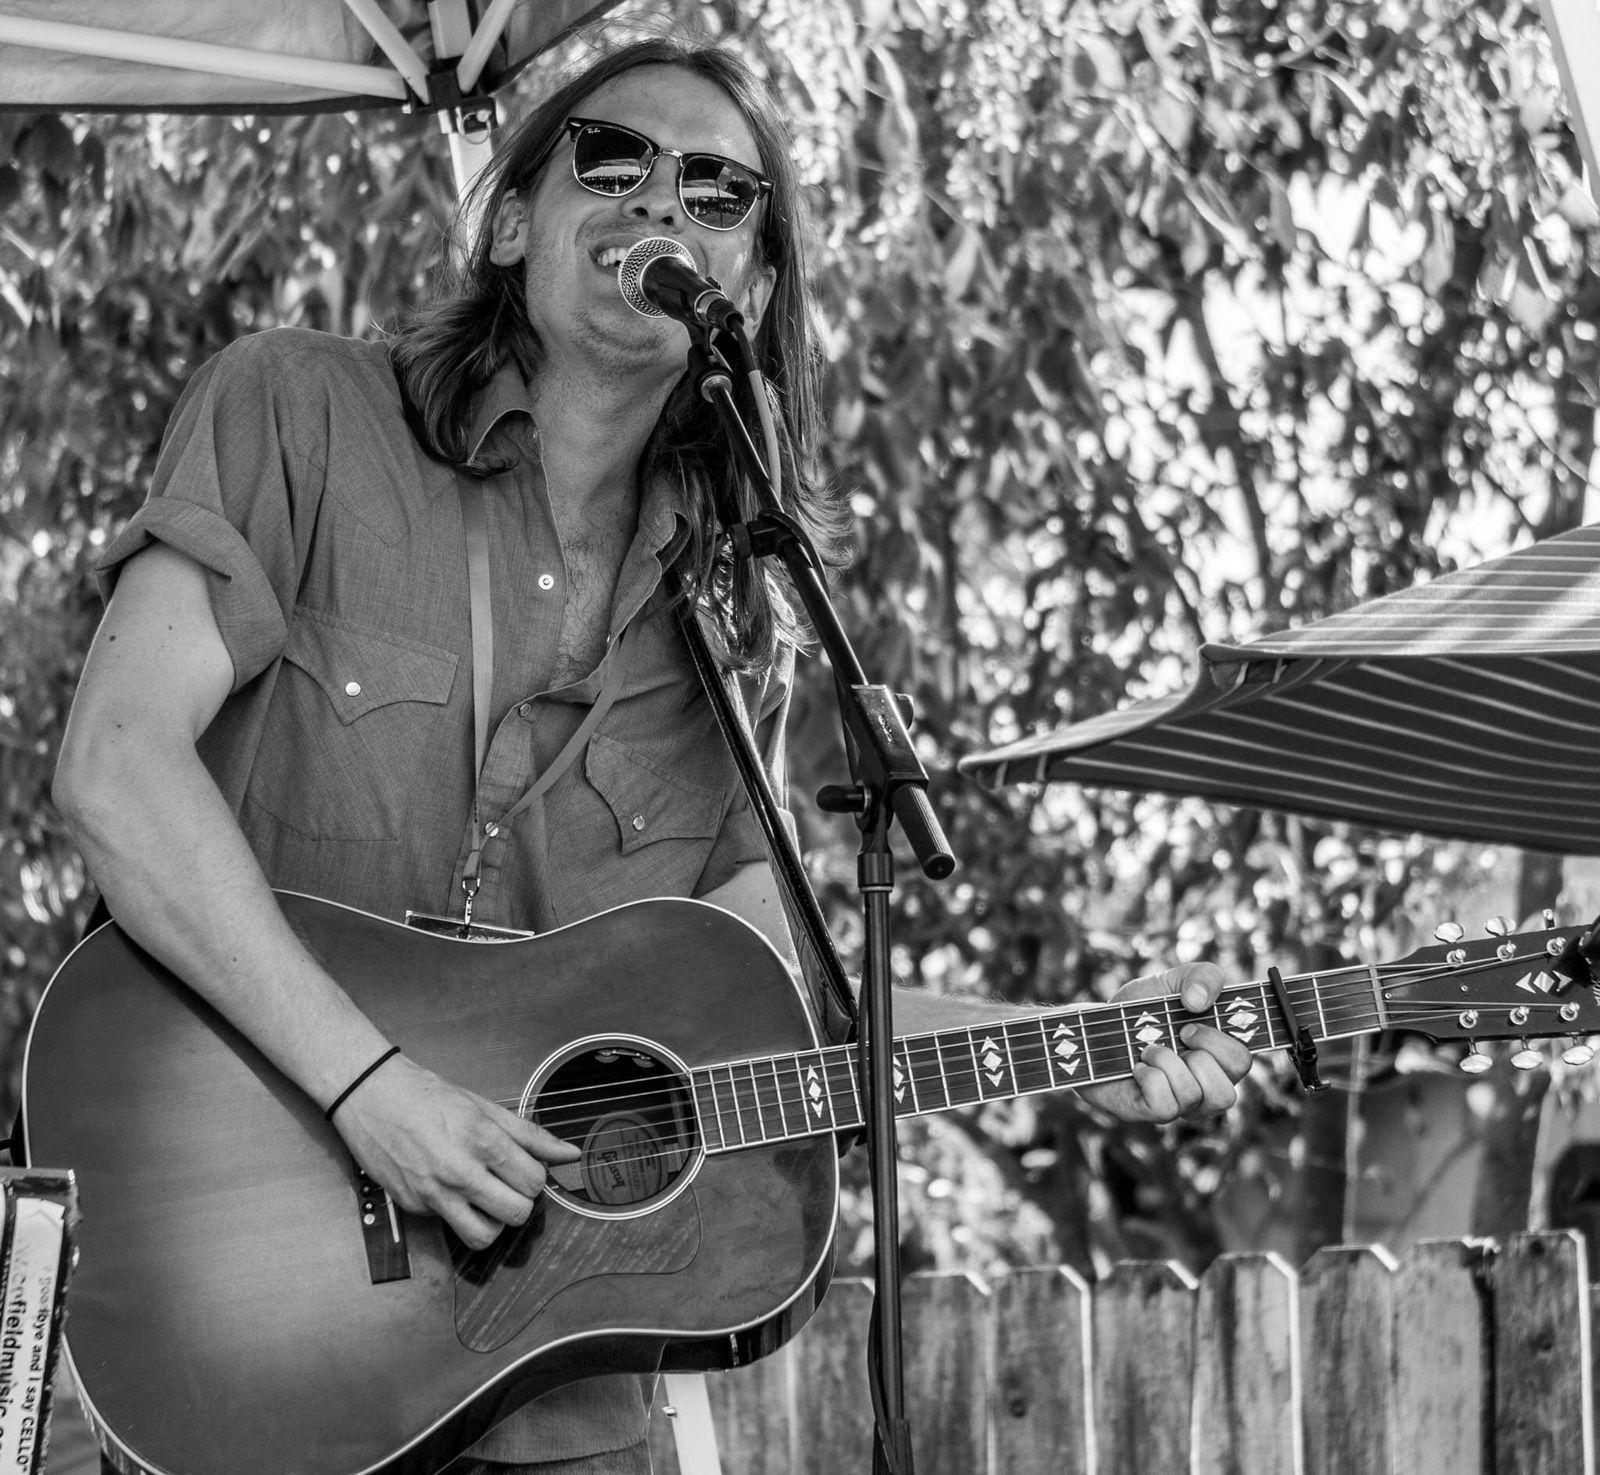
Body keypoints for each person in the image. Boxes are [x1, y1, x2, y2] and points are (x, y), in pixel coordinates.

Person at [50, 32, 1253, 1475]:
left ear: (753, 285)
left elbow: (768, 1015)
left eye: (718, 190)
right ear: (512, 221)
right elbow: (116, 767)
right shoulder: (295, 411)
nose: (663, 201)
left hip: (559, 1399)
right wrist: (373, 1088)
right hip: (232, 1318)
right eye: (612, 159)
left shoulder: (737, 628)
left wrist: (1083, 1046)